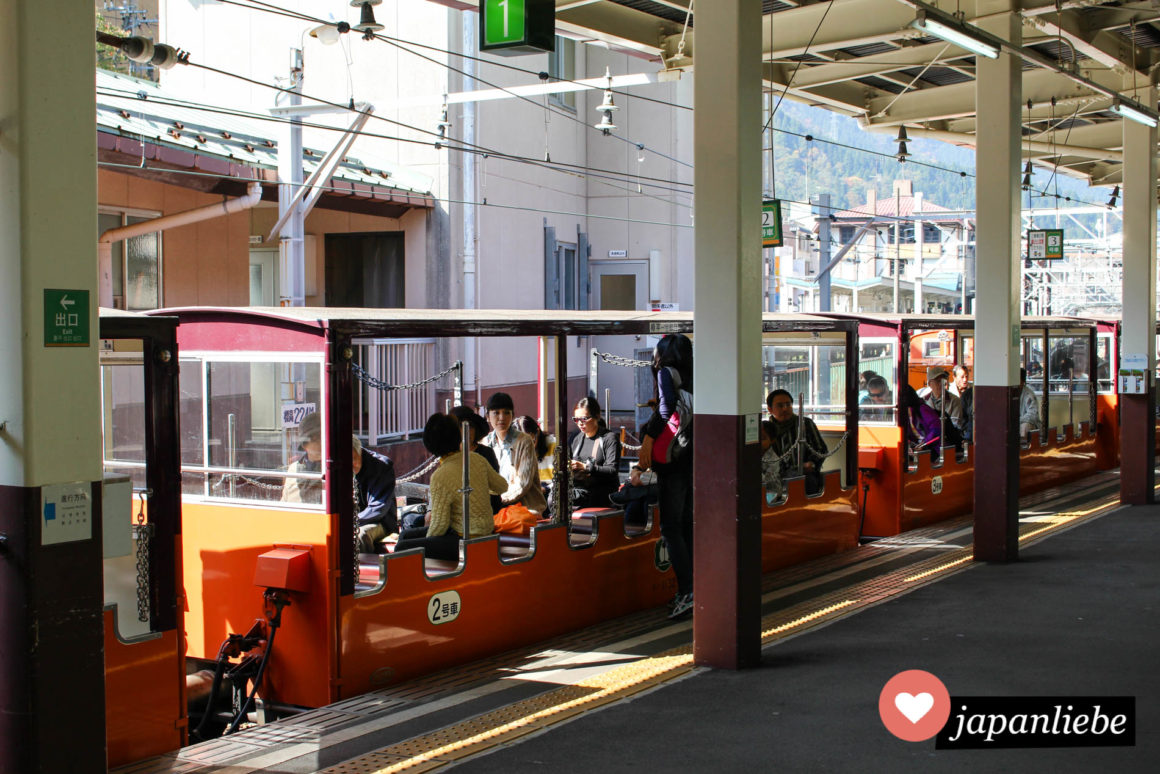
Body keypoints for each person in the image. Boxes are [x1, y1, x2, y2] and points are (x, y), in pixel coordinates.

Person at [394, 414, 508, 561]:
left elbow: (439, 526)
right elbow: (502, 487)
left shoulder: (440, 476)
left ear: (430, 445)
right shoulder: (477, 459)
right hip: (487, 533)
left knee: (402, 547)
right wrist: (479, 486)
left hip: (464, 539)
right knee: (405, 536)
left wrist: (429, 543)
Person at [638, 333, 695, 620]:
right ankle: (695, 587)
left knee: (671, 528)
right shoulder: (695, 374)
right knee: (686, 524)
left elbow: (667, 408)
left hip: (672, 460)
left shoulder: (664, 372)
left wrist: (649, 435)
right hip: (692, 457)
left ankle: (687, 592)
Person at [480, 392, 547, 515]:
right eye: (496, 412)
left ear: (512, 415)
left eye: (506, 412)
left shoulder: (524, 441)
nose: (501, 417)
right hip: (496, 510)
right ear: (488, 416)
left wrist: (498, 500)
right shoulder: (485, 442)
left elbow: (523, 484)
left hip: (525, 510)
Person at [766, 389, 826, 495]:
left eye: (788, 404)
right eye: (780, 405)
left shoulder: (805, 424)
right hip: (773, 476)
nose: (785, 409)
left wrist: (811, 464)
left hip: (802, 474)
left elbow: (821, 449)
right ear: (770, 409)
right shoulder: (766, 429)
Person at [567, 396, 621, 509]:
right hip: (579, 487)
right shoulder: (577, 438)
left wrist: (586, 467)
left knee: (566, 499)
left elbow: (612, 470)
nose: (580, 423)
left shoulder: (609, 438)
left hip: (601, 490)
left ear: (597, 416)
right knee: (553, 497)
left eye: (584, 419)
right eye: (576, 419)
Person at [450, 405, 503, 516]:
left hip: (483, 513)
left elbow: (493, 489)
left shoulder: (486, 453)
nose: (466, 431)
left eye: (470, 426)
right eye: (461, 426)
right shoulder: (449, 455)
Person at [354, 435, 398, 553]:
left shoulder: (381, 466)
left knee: (360, 535)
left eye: (353, 459)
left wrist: (351, 521)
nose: (350, 465)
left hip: (380, 521)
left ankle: (360, 571)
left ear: (360, 452)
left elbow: (378, 509)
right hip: (353, 520)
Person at [282, 411, 323, 504]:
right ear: (305, 445)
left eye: (323, 437)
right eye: (316, 439)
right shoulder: (293, 469)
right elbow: (284, 502)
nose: (321, 443)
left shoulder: (332, 468)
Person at [917, 367, 964, 446]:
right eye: (938, 381)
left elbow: (956, 425)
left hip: (948, 443)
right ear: (929, 384)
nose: (941, 384)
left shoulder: (955, 401)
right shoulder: (924, 402)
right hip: (929, 441)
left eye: (943, 381)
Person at [514, 415, 556, 495]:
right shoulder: (514, 450)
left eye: (531, 441)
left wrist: (546, 489)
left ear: (537, 432)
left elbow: (561, 479)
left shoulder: (554, 445)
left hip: (549, 490)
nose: (527, 447)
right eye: (521, 445)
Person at [759, 419, 783, 503]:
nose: (758, 441)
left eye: (762, 438)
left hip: (772, 492)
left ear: (772, 440)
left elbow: (768, 480)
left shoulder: (773, 458)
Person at [950, 365, 974, 443]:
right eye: (962, 377)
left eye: (967, 376)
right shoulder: (949, 391)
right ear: (954, 377)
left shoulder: (972, 390)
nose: (965, 380)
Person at [1020, 367, 1043, 442]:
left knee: (1025, 426)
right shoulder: (1009, 392)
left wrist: (1017, 420)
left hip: (1029, 423)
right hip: (1014, 422)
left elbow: (1032, 415)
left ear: (1022, 381)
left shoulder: (1029, 395)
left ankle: (1024, 448)